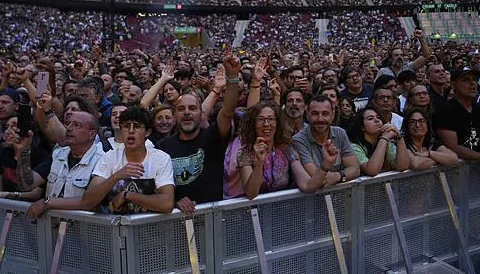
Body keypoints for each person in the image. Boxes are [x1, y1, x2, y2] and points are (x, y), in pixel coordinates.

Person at [156, 50, 240, 214]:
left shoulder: (212, 136)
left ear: (201, 114)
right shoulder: (162, 147)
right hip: (175, 222)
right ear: (174, 116)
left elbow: (228, 111)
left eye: (192, 108)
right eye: (181, 109)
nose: (187, 112)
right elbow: (156, 186)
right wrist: (174, 201)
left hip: (213, 219)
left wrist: (232, 78)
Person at [237, 101, 342, 199]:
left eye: (271, 119)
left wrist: (326, 165)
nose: (266, 124)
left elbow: (307, 185)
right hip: (256, 213)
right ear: (253, 124)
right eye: (260, 119)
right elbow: (251, 194)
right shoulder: (245, 153)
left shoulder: (286, 149)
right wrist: (259, 163)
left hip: (286, 210)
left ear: (277, 123)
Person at [14, 109, 104, 219]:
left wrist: (47, 202)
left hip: (84, 231)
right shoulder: (58, 154)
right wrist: (23, 151)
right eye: (68, 124)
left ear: (92, 134)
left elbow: (89, 202)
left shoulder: (102, 161)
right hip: (51, 229)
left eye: (76, 125)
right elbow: (27, 184)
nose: (69, 128)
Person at [82, 107, 174, 213]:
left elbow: (167, 204)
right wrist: (116, 176)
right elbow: (87, 202)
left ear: (147, 132)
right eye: (126, 126)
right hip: (116, 228)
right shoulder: (109, 158)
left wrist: (127, 195)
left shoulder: (161, 158)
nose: (131, 131)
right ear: (121, 130)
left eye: (137, 126)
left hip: (150, 228)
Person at [435, 67, 480, 177]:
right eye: (466, 80)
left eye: (474, 80)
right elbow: (453, 147)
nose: (472, 84)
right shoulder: (445, 111)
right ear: (453, 85)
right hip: (456, 173)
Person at [292, 95, 360, 186]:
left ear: (332, 115)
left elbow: (355, 169)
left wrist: (338, 176)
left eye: (325, 114)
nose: (320, 119)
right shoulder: (299, 140)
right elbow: (318, 178)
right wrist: (343, 175)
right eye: (315, 113)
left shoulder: (340, 133)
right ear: (307, 115)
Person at [350, 106, 410, 176]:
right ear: (362, 127)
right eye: (370, 118)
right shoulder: (354, 147)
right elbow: (372, 170)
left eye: (378, 117)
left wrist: (399, 136)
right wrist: (384, 138)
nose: (377, 120)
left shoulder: (386, 142)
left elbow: (403, 166)